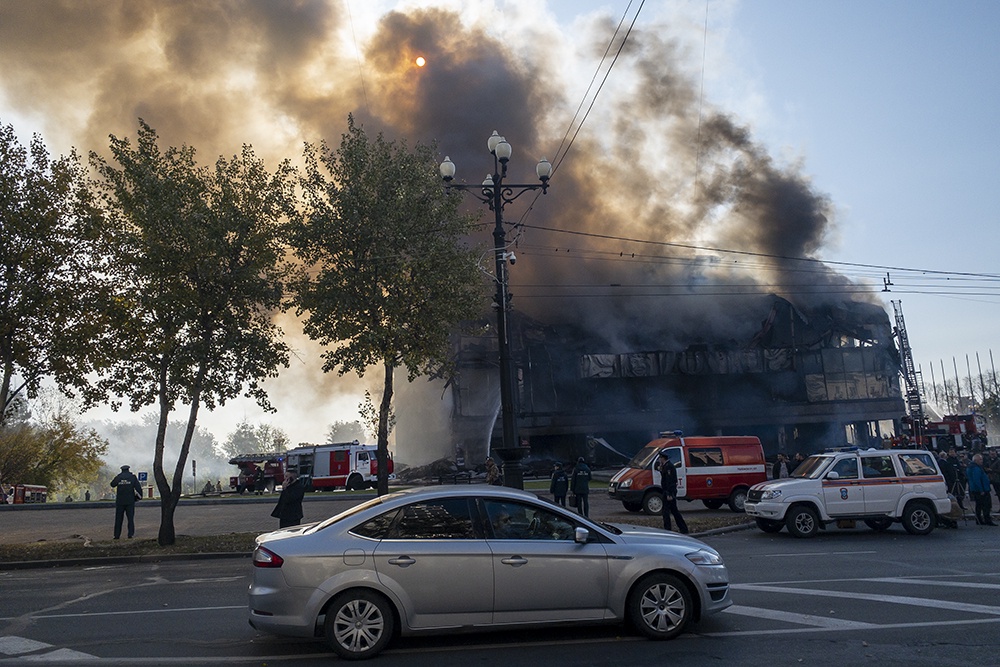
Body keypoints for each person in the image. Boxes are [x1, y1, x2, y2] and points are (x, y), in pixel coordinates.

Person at [658, 451, 689, 534]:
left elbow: (669, 482)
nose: (659, 460)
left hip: (669, 493)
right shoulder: (666, 466)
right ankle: (683, 528)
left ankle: (668, 529)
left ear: (663, 458)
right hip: (668, 492)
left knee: (667, 512)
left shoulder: (669, 467)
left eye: (660, 458)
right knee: (673, 511)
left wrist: (669, 494)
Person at [110, 464, 142, 539]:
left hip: (120, 501)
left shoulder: (119, 477)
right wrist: (139, 497)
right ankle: (130, 534)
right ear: (128, 469)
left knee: (118, 519)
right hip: (130, 501)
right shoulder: (132, 477)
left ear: (121, 470)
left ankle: (116, 535)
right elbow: (138, 488)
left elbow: (112, 484)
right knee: (130, 519)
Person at [966, 453, 995, 526]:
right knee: (986, 505)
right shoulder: (976, 468)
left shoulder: (971, 467)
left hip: (976, 489)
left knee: (978, 505)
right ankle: (987, 519)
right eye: (980, 459)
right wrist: (981, 489)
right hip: (981, 489)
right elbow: (977, 480)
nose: (982, 461)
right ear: (975, 460)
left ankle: (979, 519)